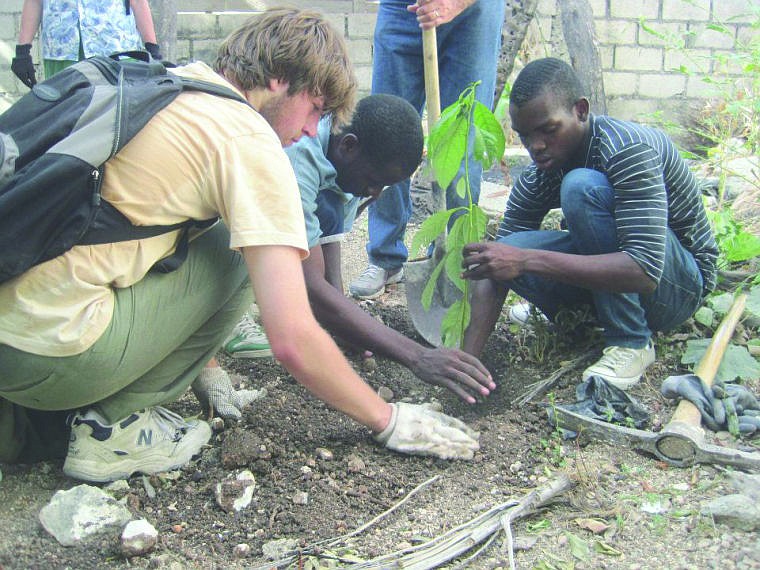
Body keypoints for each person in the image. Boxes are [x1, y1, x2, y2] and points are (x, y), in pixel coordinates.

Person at [0, 8, 479, 483]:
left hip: (14, 328)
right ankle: (111, 430)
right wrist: (388, 419)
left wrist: (201, 364)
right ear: (276, 78)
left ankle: (28, 420)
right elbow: (292, 338)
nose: (314, 130)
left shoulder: (176, 82)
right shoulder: (249, 140)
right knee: (242, 249)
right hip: (47, 353)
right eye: (314, 107)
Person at [461, 57, 718, 390]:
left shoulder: (627, 150)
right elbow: (495, 264)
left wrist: (524, 261)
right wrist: (465, 363)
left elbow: (644, 271)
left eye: (548, 130)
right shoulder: (540, 174)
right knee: (507, 249)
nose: (536, 146)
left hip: (679, 287)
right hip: (626, 282)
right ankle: (584, 318)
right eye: (525, 136)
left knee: (580, 188)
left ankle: (631, 341)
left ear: (580, 110)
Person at [286, 93, 495, 404]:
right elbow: (311, 288)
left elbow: (328, 236)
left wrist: (347, 324)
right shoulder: (299, 155)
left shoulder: (345, 156)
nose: (375, 193)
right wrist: (417, 357)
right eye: (373, 181)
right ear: (349, 146)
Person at [348, 0, 505, 299]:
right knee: (385, 132)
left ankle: (451, 264)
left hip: (473, 12)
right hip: (403, 8)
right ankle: (385, 258)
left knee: (462, 143)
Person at [11, 0, 161, 88]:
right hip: (62, 51)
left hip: (116, 50)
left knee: (119, 123)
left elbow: (138, 1)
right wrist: (22, 51)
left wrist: (152, 49)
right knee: (65, 123)